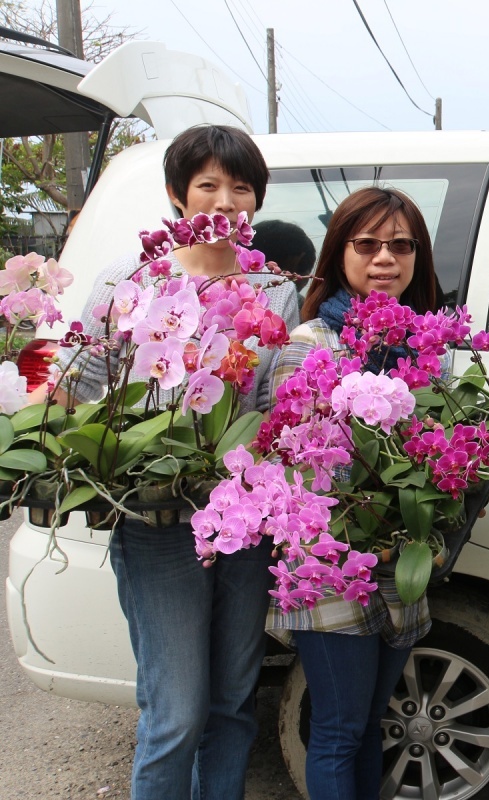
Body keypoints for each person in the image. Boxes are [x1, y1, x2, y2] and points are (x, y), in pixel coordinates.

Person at [59, 124, 299, 800]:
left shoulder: (272, 288)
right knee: (176, 715)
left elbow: (273, 402)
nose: (225, 201)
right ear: (175, 194)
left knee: (231, 705)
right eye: (208, 186)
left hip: (243, 527)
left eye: (241, 187)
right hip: (158, 519)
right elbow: (80, 392)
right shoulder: (131, 280)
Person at [266, 186, 438, 800]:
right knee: (339, 730)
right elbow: (292, 463)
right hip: (328, 562)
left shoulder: (427, 348)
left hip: (397, 562)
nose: (384, 259)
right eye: (367, 244)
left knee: (371, 725)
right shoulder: (311, 343)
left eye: (400, 245)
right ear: (341, 253)